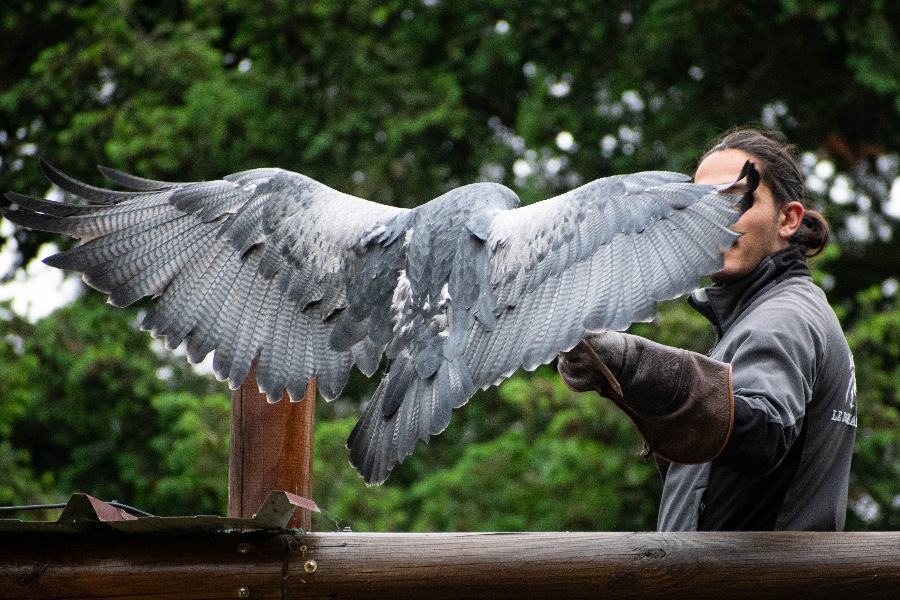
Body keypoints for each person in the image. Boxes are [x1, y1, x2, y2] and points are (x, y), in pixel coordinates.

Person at [558, 128, 856, 531]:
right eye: (699, 207)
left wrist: (632, 363)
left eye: (734, 199)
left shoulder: (785, 314)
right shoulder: (758, 316)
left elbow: (762, 433)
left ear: (788, 219)